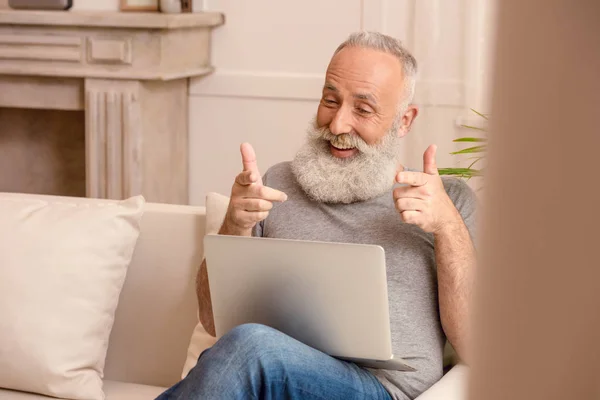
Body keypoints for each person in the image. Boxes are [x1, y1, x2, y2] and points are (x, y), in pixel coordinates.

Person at [156, 31, 477, 400]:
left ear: (404, 121)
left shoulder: (447, 200)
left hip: (379, 390)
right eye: (330, 100)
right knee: (250, 346)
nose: (338, 125)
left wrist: (447, 226)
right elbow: (213, 320)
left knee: (252, 345)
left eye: (362, 109)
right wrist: (235, 225)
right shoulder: (275, 182)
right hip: (269, 382)